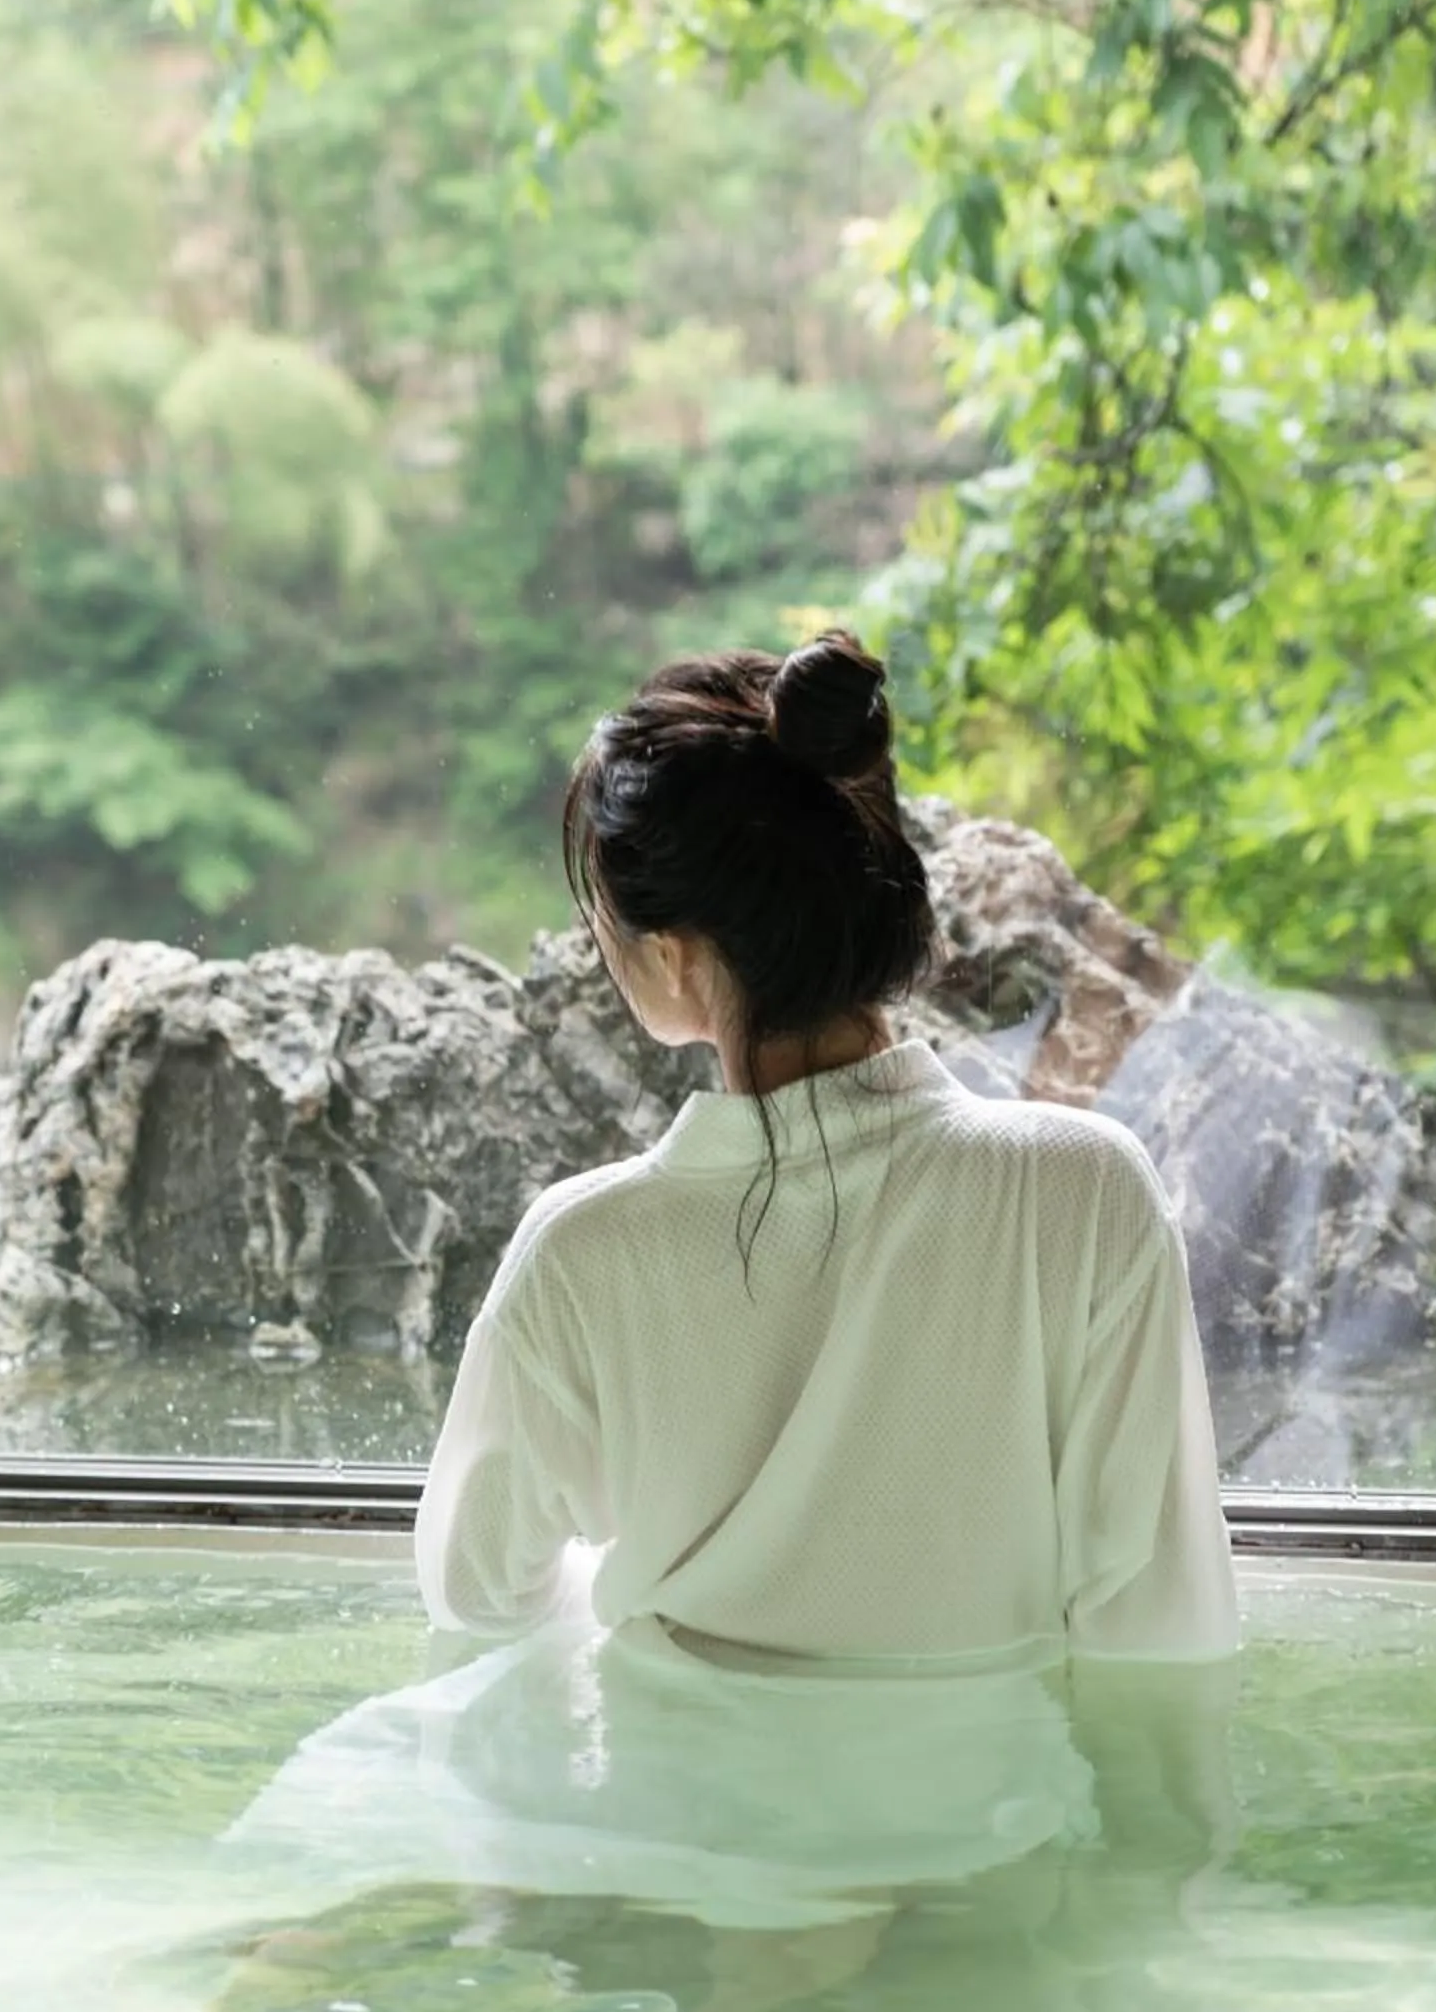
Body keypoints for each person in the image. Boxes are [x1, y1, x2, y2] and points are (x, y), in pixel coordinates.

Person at [413, 629, 1237, 1669]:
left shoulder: (581, 1251)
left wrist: (636, 1571)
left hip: (675, 1774)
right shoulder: (1085, 1188)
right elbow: (1159, 1619)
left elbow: (478, 1594)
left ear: (673, 958)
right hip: (989, 1772)